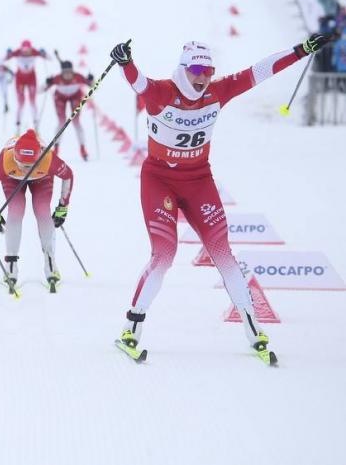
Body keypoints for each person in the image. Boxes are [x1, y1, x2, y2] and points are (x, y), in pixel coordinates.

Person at [109, 34, 330, 363]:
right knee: (165, 254)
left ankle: (254, 331)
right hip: (159, 180)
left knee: (222, 251)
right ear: (184, 68)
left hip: (198, 180)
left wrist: (301, 51)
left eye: (208, 70)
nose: (202, 77)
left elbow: (259, 71)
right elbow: (138, 83)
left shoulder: (217, 91)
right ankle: (131, 328)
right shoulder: (161, 92)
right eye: (197, 69)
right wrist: (125, 61)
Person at [0, 128, 74, 294]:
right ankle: (11, 263)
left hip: (42, 178)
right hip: (12, 178)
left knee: (42, 211)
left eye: (31, 165)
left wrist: (62, 207)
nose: (27, 170)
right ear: (15, 158)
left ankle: (50, 260)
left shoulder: (48, 159)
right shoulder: (5, 161)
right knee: (15, 211)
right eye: (23, 165)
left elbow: (68, 175)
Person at [44, 60, 94, 160]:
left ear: (72, 71)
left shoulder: (78, 77)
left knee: (76, 122)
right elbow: (41, 90)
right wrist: (47, 82)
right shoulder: (57, 78)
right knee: (61, 122)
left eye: (69, 72)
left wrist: (91, 80)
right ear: (62, 72)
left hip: (75, 97)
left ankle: (83, 149)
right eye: (65, 72)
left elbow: (93, 86)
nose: (67, 75)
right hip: (60, 98)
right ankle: (56, 148)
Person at [6, 40, 49, 131]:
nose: (25, 52)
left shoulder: (34, 52)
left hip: (31, 80)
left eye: (27, 50)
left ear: (30, 48)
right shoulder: (17, 52)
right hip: (20, 80)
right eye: (24, 50)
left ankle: (36, 123)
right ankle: (17, 125)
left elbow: (48, 58)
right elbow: (5, 58)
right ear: (21, 49)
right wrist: (8, 53)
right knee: (21, 103)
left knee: (32, 101)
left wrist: (44, 53)